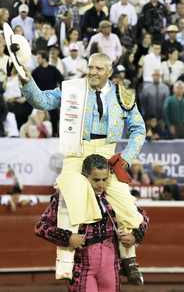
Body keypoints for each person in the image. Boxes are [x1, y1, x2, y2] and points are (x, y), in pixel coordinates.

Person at [19, 52, 146, 283]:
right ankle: (66, 260)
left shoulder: (122, 95)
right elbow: (43, 101)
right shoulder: (73, 89)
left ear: (109, 72)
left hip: (107, 154)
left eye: (98, 69)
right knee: (71, 195)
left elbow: (139, 129)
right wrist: (27, 81)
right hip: (77, 152)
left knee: (126, 204)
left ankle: (129, 257)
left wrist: (126, 157)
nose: (93, 72)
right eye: (91, 67)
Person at [35, 154, 149, 290]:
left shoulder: (112, 196)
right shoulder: (68, 196)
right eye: (96, 180)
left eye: (105, 179)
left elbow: (142, 218)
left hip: (110, 264)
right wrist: (68, 238)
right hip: (82, 264)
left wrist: (135, 236)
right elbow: (41, 226)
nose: (101, 184)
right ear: (84, 177)